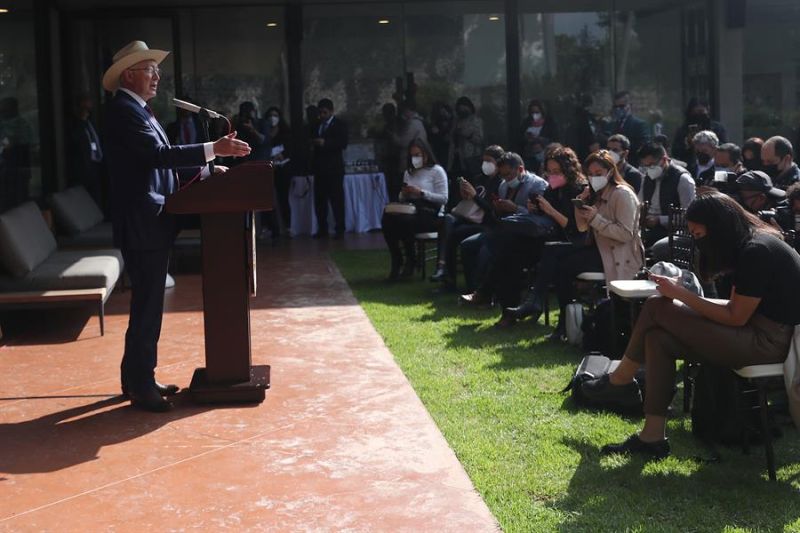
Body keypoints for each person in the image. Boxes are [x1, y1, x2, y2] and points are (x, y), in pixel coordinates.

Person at [582, 192, 800, 459]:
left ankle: (620, 380)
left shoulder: (756, 251)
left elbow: (736, 317)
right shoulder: (755, 244)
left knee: (655, 306)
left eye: (698, 235)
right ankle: (651, 437)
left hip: (770, 343)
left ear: (717, 228)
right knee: (658, 338)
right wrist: (685, 302)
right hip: (762, 333)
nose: (699, 243)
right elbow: (736, 310)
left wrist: (682, 296)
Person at [102, 40, 251, 412]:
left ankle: (136, 377)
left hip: (153, 221)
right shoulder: (123, 111)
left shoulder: (141, 111)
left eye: (156, 70)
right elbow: (155, 157)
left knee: (147, 306)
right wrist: (212, 149)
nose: (156, 76)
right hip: (142, 223)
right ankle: (140, 385)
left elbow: (159, 164)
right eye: (150, 69)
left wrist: (204, 170)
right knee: (147, 307)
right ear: (129, 74)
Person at [504, 150, 642, 339]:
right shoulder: (596, 192)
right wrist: (581, 204)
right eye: (591, 174)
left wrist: (596, 218)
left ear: (611, 172)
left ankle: (544, 308)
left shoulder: (623, 194)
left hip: (616, 255)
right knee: (554, 253)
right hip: (597, 248)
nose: (594, 177)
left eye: (598, 173)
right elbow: (581, 228)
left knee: (561, 263)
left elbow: (625, 235)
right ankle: (559, 320)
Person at [497, 146, 588, 326]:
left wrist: (549, 210)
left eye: (557, 171)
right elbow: (545, 219)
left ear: (568, 170)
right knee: (508, 250)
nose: (552, 175)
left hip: (570, 243)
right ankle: (510, 309)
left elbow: (575, 229)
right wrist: (536, 209)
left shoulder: (579, 190)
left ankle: (535, 301)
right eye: (550, 171)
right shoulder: (553, 189)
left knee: (551, 254)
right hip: (547, 239)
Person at [458, 151, 547, 303]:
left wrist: (515, 209)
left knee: (492, 250)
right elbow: (497, 217)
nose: (506, 179)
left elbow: (541, 217)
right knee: (468, 245)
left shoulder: (537, 185)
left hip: (527, 235)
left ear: (520, 169)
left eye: (509, 175)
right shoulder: (503, 186)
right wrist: (498, 209)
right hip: (503, 230)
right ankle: (476, 289)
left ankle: (484, 293)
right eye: (503, 175)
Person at [430, 145, 504, 290]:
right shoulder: (479, 179)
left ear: (498, 163)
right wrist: (464, 194)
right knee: (448, 221)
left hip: (485, 223)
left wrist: (475, 196)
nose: (485, 164)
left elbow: (492, 210)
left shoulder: (500, 183)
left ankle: (445, 272)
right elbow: (468, 203)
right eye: (484, 160)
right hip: (468, 218)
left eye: (489, 161)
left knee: (451, 234)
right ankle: (444, 268)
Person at [381, 138, 448, 280]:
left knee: (405, 222)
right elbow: (402, 197)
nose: (415, 158)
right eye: (413, 155)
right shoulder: (409, 172)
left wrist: (422, 192)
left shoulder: (437, 171)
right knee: (388, 218)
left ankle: (411, 260)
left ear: (426, 154)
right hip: (411, 207)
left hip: (430, 212)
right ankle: (397, 258)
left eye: (418, 155)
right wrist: (404, 193)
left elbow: (443, 198)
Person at [638, 142, 696, 252]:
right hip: (648, 229)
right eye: (646, 166)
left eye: (652, 165)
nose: (649, 169)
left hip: (674, 231)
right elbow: (639, 203)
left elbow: (689, 215)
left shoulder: (682, 179)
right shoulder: (646, 179)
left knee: (658, 248)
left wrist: (660, 220)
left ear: (664, 160)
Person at [312, 98, 348, 238]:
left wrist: (326, 143)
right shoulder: (316, 125)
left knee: (336, 200)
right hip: (320, 169)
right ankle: (322, 228)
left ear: (331, 111)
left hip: (334, 169)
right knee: (320, 201)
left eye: (325, 112)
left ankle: (340, 228)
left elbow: (343, 142)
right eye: (320, 112)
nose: (322, 115)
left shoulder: (339, 125)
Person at [67, 92, 105, 209]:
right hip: (83, 168)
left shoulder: (92, 123)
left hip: (96, 166)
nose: (87, 111)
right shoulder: (75, 126)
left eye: (88, 108)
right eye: (84, 108)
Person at [263, 106, 292, 235]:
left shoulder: (285, 133)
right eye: (270, 115)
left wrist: (283, 155)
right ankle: (268, 227)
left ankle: (288, 226)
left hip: (282, 169)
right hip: (268, 169)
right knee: (267, 199)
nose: (272, 118)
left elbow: (291, 150)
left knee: (283, 198)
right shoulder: (264, 133)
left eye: (275, 115)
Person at [671, 98, 727, 163]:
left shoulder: (717, 128)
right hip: (689, 166)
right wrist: (688, 143)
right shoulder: (683, 130)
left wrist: (711, 141)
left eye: (701, 112)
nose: (698, 116)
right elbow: (675, 152)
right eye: (694, 112)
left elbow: (724, 148)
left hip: (714, 164)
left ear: (707, 110)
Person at [606, 91, 650, 166]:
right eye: (616, 107)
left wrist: (621, 148)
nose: (618, 109)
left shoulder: (639, 124)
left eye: (622, 106)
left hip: (632, 164)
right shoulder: (611, 124)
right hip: (613, 165)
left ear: (630, 105)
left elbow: (643, 145)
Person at [519, 99, 559, 172]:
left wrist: (540, 141)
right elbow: (520, 139)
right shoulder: (526, 123)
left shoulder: (549, 123)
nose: (535, 114)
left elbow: (555, 140)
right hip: (529, 157)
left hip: (544, 156)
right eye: (532, 112)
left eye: (537, 112)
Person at [450, 96, 484, 179]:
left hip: (472, 156)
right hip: (456, 158)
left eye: (464, 107)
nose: (462, 110)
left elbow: (480, 140)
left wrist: (468, 135)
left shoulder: (476, 121)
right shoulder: (456, 121)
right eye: (460, 107)